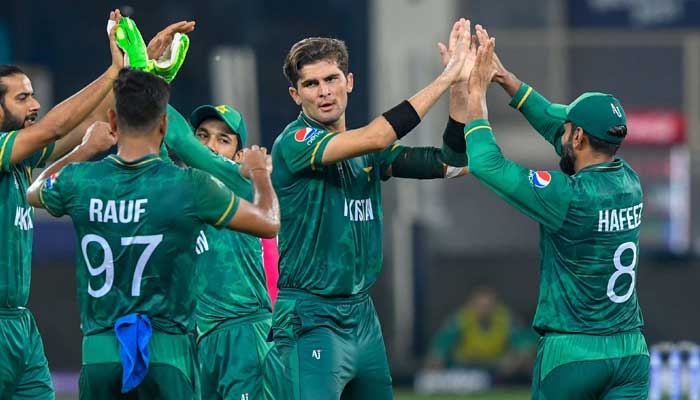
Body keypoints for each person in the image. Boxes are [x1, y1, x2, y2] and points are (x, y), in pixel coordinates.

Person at [26, 68, 280, 399]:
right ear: (164, 128)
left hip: (102, 351)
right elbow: (269, 221)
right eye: (201, 136)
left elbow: (32, 192)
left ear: (114, 123)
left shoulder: (81, 180)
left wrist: (84, 148)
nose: (211, 147)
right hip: (169, 350)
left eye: (224, 139)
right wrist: (260, 172)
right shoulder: (187, 189)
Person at [269, 19, 474, 399]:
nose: (324, 92)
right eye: (311, 84)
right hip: (312, 316)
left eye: (331, 79)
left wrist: (460, 89)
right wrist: (444, 78)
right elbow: (379, 134)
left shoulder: (368, 152)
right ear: (296, 96)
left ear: (350, 82)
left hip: (362, 316)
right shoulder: (295, 142)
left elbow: (454, 166)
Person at [464, 26, 649, 399]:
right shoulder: (630, 180)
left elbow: (486, 163)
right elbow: (555, 124)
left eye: (568, 127)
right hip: (631, 352)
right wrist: (506, 79)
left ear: (578, 136)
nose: (560, 128)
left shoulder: (567, 196)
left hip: (573, 353)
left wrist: (475, 94)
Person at [0, 9, 127, 399]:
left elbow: (75, 128)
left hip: (20, 323)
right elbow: (54, 127)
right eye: (23, 97)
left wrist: (127, 75)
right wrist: (109, 72)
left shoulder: (18, 161)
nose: (35, 104)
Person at [425, 287, 536, 383]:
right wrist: (435, 364)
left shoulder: (506, 320)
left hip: (497, 372)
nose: (484, 309)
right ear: (471, 304)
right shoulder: (460, 320)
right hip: (464, 372)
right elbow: (438, 350)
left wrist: (515, 358)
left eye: (488, 305)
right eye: (480, 305)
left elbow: (525, 346)